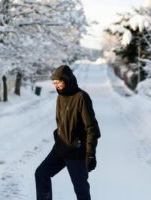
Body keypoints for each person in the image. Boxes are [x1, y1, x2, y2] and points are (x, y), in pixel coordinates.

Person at [35, 65, 101, 200]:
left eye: (59, 82)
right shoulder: (60, 98)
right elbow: (61, 122)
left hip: (76, 152)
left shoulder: (81, 97)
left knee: (81, 190)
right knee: (41, 174)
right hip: (61, 148)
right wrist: (59, 136)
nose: (57, 85)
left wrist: (90, 154)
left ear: (67, 79)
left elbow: (92, 128)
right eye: (54, 83)